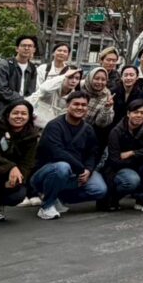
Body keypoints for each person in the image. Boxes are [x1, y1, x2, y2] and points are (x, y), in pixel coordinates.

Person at [30, 91, 108, 219]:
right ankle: (46, 206)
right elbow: (57, 152)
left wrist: (88, 170)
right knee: (62, 167)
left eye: (83, 105)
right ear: (68, 105)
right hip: (47, 173)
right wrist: (81, 169)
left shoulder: (88, 129)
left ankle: (58, 197)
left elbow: (93, 152)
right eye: (76, 104)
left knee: (99, 189)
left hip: (75, 172)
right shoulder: (54, 126)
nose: (80, 107)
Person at [0, 99, 40, 228]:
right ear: (8, 114)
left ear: (29, 116)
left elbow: (28, 162)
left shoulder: (31, 134)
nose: (19, 116)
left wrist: (19, 177)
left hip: (13, 173)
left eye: (24, 114)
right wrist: (11, 167)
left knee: (18, 194)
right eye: (15, 113)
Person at [101, 99, 143, 212]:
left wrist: (133, 153)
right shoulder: (116, 131)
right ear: (128, 113)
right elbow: (114, 160)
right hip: (119, 168)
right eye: (135, 112)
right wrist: (138, 159)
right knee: (133, 180)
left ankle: (142, 199)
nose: (139, 115)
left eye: (142, 113)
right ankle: (113, 198)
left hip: (136, 162)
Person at [0, 35, 39, 123]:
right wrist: (22, 99)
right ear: (17, 48)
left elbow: (31, 91)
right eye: (23, 45)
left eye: (30, 46)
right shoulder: (3, 66)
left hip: (20, 113)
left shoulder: (32, 68)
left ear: (34, 50)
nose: (26, 48)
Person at [81, 67, 116, 147]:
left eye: (103, 79)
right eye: (96, 78)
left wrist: (106, 108)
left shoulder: (107, 96)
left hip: (89, 136)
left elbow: (101, 124)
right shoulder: (80, 87)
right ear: (90, 78)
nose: (100, 82)